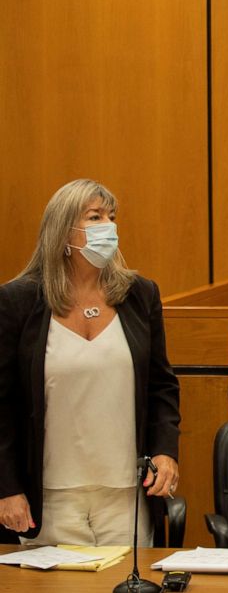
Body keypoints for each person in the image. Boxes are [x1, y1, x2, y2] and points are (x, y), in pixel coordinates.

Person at [0, 179, 180, 546]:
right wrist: (6, 488)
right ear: (63, 231)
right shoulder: (17, 301)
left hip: (126, 491)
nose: (108, 227)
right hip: (49, 495)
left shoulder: (139, 294)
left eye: (111, 217)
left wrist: (165, 451)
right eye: (95, 217)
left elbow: (161, 385)